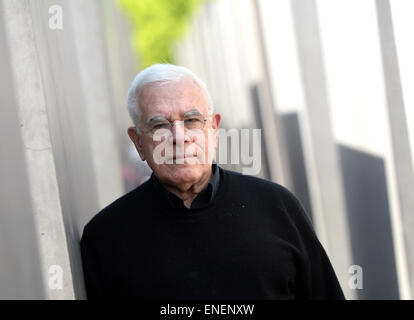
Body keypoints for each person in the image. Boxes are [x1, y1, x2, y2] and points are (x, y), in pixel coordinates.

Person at [80, 63, 345, 300]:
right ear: (138, 141)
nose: (179, 137)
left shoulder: (277, 206)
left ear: (214, 129)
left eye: (192, 120)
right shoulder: (106, 237)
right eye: (160, 125)